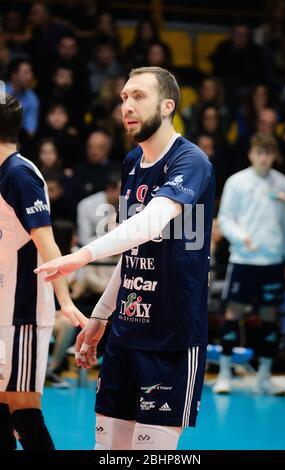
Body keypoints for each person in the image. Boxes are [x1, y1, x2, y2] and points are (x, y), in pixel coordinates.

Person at [35, 66, 215, 451]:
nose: (127, 106)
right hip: (125, 334)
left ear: (168, 106)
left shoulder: (191, 161)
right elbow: (133, 249)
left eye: (138, 97)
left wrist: (82, 255)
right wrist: (101, 316)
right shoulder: (132, 163)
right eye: (124, 98)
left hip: (171, 339)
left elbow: (151, 223)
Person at [0, 94, 86, 450]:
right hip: (4, 308)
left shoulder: (19, 174)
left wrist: (64, 299)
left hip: (23, 314)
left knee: (23, 411)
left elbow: (48, 244)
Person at [214, 133, 285, 395]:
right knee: (233, 314)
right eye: (259, 152)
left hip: (273, 261)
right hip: (243, 260)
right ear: (251, 154)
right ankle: (225, 374)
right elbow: (225, 219)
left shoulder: (283, 182)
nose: (264, 158)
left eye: (268, 153)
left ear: (274, 156)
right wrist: (242, 238)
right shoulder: (236, 182)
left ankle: (264, 377)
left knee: (269, 318)